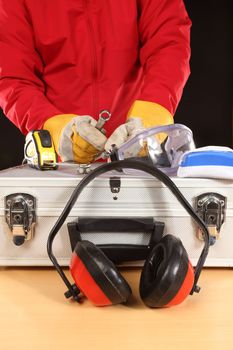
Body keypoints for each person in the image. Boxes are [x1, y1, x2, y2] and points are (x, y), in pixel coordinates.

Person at [0, 0, 191, 164]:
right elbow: (13, 77)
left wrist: (151, 118)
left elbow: (168, 44)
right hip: (61, 163)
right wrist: (55, 127)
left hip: (141, 157)